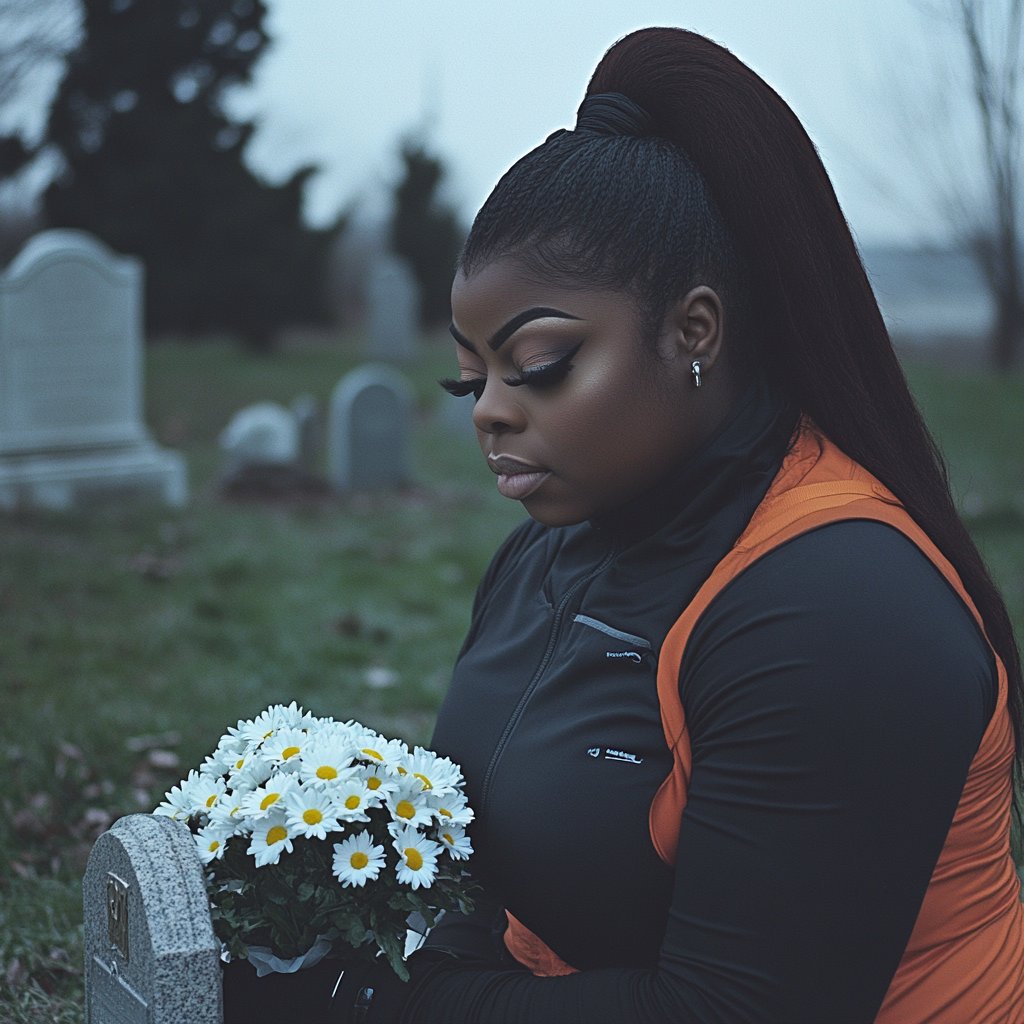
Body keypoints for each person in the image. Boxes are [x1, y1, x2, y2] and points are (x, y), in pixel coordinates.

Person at [328, 27, 1024, 1023]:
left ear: (693, 330)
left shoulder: (838, 609)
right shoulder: (543, 553)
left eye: (538, 364)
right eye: (470, 372)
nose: (485, 407)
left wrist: (396, 1002)